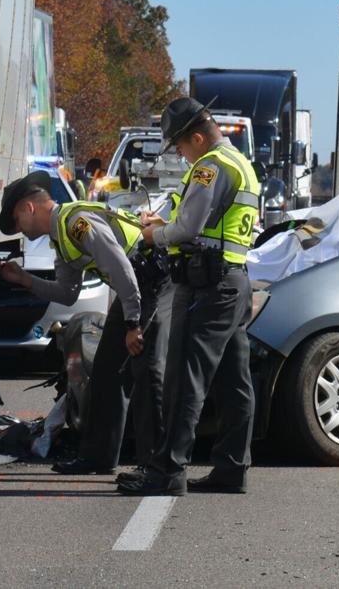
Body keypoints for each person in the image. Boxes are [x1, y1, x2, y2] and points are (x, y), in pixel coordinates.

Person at [117, 96, 260, 497]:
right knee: (234, 382)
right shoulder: (241, 165)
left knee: (185, 380)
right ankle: (233, 467)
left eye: (179, 146)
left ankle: (167, 471)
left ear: (197, 137)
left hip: (208, 287)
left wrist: (151, 234)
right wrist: (172, 224)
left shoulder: (210, 167)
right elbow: (206, 224)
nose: (179, 155)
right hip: (234, 283)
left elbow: (187, 230)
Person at [0, 171, 170, 474]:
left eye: (17, 221)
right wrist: (24, 279)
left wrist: (132, 323)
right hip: (139, 284)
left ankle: (155, 466)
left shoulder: (75, 222)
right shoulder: (61, 238)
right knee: (106, 372)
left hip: (148, 281)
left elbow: (119, 265)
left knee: (146, 372)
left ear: (28, 208)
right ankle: (98, 458)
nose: (18, 231)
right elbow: (67, 293)